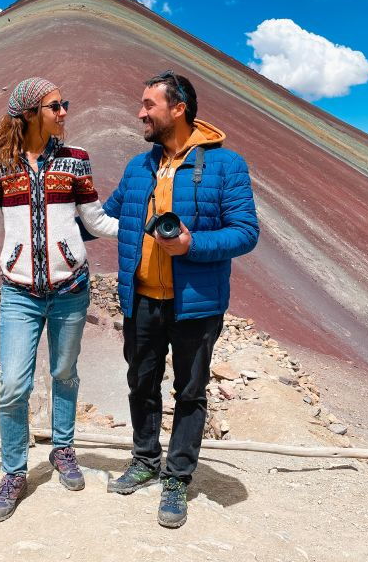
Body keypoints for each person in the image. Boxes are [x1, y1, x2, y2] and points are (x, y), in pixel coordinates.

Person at [0, 77, 118, 522]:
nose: (64, 112)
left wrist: (142, 228)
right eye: (54, 106)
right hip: (18, 291)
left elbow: (95, 220)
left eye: (64, 104)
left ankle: (63, 449)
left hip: (71, 288)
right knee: (13, 385)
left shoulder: (76, 160)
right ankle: (14, 472)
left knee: (64, 373)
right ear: (28, 114)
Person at [102, 70, 259, 528]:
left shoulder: (226, 165)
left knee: (190, 392)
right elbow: (105, 215)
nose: (140, 113)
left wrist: (193, 245)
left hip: (197, 303)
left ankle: (177, 477)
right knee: (141, 383)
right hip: (142, 298)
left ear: (178, 109)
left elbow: (245, 232)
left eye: (149, 104)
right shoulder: (138, 167)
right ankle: (145, 458)